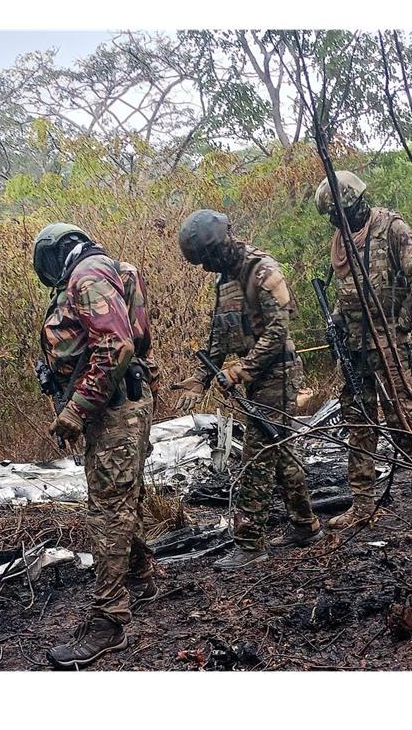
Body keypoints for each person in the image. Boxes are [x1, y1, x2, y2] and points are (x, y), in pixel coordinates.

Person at [32, 222, 157, 669]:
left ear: (54, 254)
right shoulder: (111, 269)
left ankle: (109, 622)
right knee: (122, 500)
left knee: (107, 510)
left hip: (114, 408)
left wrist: (75, 411)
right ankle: (141, 576)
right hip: (123, 404)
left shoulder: (86, 277)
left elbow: (116, 346)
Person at [173, 210, 323, 570]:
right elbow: (218, 334)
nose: (207, 267)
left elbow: (277, 333)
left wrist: (240, 370)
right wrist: (201, 377)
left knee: (257, 455)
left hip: (278, 373)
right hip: (254, 377)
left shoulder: (263, 270)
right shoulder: (224, 281)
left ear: (223, 244)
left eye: (208, 259)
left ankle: (250, 542)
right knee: (281, 449)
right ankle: (306, 525)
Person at [313, 171, 412, 530]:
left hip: (392, 344)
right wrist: (335, 320)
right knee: (359, 426)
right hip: (356, 348)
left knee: (404, 424)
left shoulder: (391, 228)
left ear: (357, 203)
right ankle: (364, 504)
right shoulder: (341, 242)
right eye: (333, 218)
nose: (338, 222)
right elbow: (344, 293)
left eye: (341, 214)